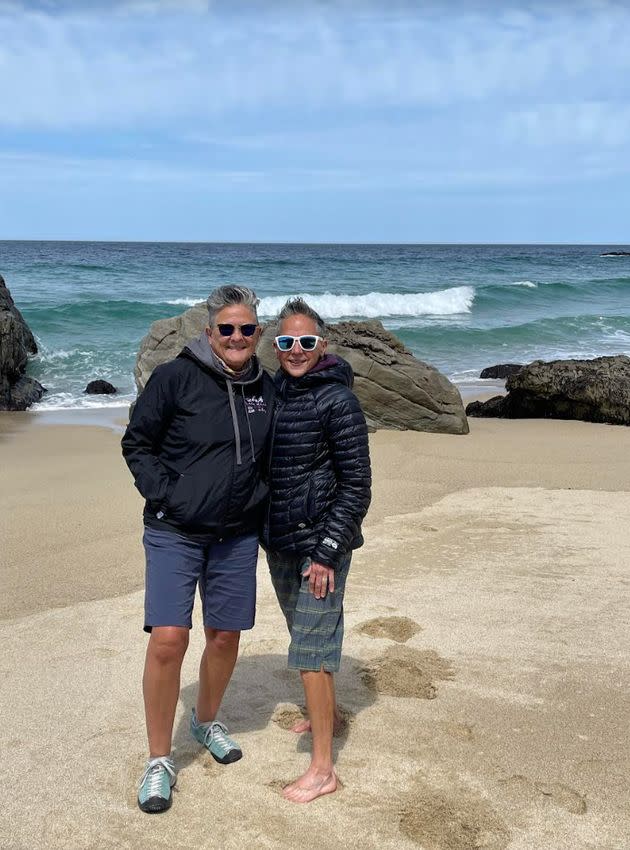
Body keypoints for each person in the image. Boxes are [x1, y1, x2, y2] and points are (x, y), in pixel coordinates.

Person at [121, 285, 274, 814]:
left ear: (258, 334)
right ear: (209, 332)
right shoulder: (175, 378)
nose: (237, 337)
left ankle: (205, 720)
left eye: (247, 329)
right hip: (175, 530)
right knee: (168, 638)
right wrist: (167, 493)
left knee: (225, 636)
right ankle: (159, 759)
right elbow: (136, 442)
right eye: (226, 329)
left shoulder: (265, 386)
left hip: (236, 533)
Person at [264, 298, 371, 803]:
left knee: (310, 651)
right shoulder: (273, 394)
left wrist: (328, 550)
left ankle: (324, 770)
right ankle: (322, 715)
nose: (297, 350)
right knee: (313, 640)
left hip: (319, 546)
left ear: (322, 345)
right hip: (281, 542)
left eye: (307, 341)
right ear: (276, 345)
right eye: (287, 342)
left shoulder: (338, 401)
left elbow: (357, 487)